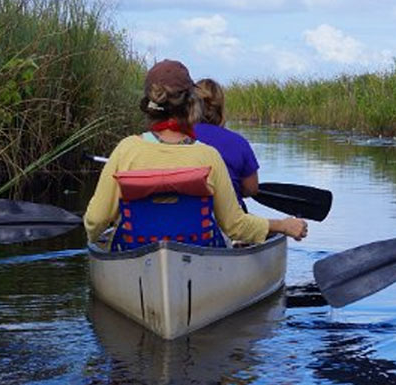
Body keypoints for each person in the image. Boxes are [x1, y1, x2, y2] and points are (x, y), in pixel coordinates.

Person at [84, 60, 306, 248]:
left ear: (149, 104)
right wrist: (282, 225)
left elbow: (96, 219)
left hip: (135, 250)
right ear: (191, 104)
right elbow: (235, 226)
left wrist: (97, 243)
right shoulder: (208, 156)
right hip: (197, 253)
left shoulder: (126, 150)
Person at [193, 79, 260, 209]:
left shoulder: (178, 138)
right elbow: (251, 189)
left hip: (190, 216)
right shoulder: (239, 142)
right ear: (221, 108)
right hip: (230, 218)